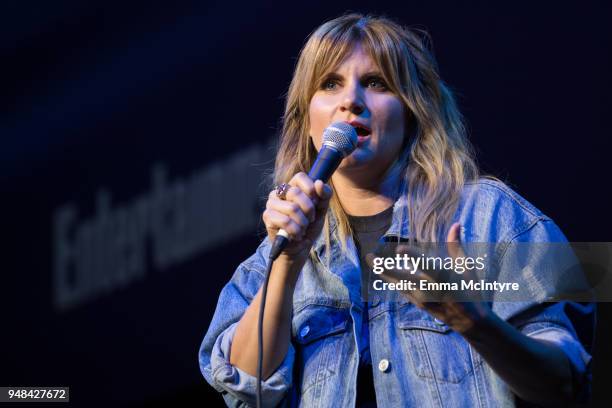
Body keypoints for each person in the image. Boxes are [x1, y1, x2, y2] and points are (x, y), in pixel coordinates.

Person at [199, 13, 594, 407]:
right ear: (306, 120)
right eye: (330, 84)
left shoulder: (491, 217)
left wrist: (475, 323)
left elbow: (569, 382)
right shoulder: (265, 265)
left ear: (412, 110)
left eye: (375, 83)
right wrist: (286, 264)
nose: (351, 101)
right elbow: (244, 392)